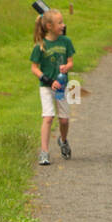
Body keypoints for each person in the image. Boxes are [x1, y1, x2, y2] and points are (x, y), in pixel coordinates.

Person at [29, 9, 75, 164]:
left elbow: (71, 62)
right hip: (47, 87)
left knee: (64, 120)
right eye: (60, 23)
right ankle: (44, 152)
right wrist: (48, 80)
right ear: (49, 26)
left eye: (62, 22)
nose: (63, 25)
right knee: (48, 117)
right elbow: (34, 68)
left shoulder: (66, 41)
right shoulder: (40, 46)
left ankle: (63, 140)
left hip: (63, 86)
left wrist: (67, 67)